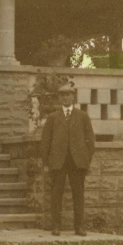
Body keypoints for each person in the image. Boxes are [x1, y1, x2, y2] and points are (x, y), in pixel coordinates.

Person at [40, 83, 95, 236]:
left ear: (73, 97)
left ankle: (79, 227)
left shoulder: (82, 116)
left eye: (68, 94)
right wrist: (46, 162)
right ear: (59, 98)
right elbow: (45, 141)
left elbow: (90, 140)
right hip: (58, 161)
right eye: (62, 95)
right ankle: (56, 226)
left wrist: (86, 159)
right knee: (56, 194)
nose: (65, 97)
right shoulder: (52, 117)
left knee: (78, 194)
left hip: (77, 162)